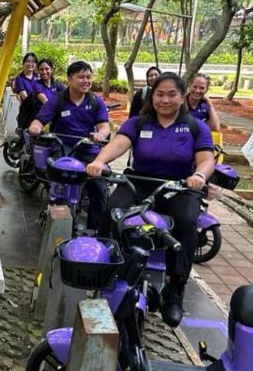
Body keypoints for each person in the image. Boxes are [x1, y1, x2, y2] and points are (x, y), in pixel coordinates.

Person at [86, 72, 215, 327]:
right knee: (112, 212)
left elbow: (206, 158)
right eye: (159, 94)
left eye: (172, 94)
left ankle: (175, 288)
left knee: (187, 221)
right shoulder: (138, 123)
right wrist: (100, 161)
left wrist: (199, 175)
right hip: (140, 182)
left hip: (178, 186)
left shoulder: (195, 126)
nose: (165, 100)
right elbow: (120, 143)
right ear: (152, 95)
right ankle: (107, 271)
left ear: (182, 95)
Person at [29, 61, 110, 231]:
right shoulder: (57, 100)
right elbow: (38, 121)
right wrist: (35, 127)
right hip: (63, 146)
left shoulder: (96, 101)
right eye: (81, 77)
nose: (86, 81)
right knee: (60, 184)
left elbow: (104, 126)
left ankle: (95, 230)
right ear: (69, 78)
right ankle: (56, 220)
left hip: (88, 148)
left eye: (88, 77)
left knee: (100, 187)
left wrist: (101, 134)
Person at [13, 52, 40, 129]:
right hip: (27, 113)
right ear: (23, 63)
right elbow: (25, 97)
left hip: (39, 112)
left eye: (33, 62)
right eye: (28, 61)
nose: (30, 64)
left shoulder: (39, 77)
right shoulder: (19, 79)